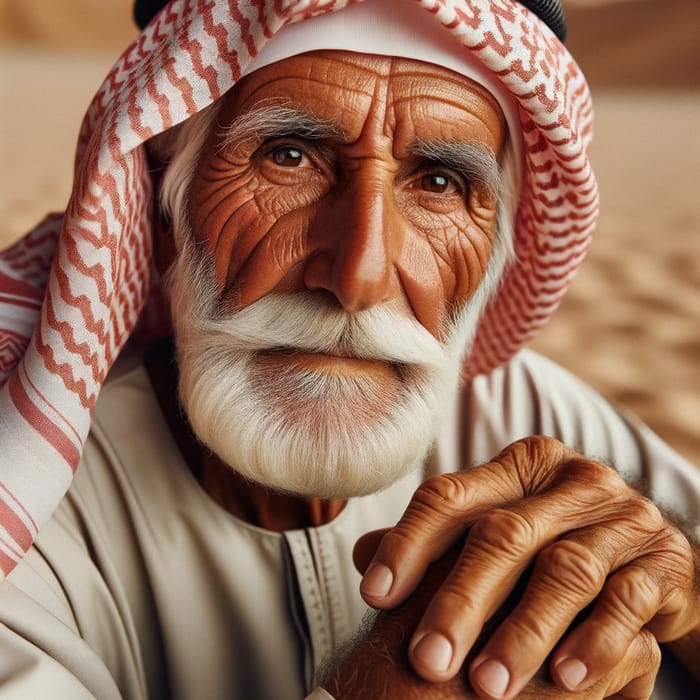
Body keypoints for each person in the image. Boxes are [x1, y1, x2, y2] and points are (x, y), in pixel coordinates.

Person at [0, 0, 698, 698]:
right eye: (289, 157)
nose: (359, 275)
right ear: (160, 210)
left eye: (439, 183)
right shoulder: (30, 532)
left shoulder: (521, 411)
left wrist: (681, 595)